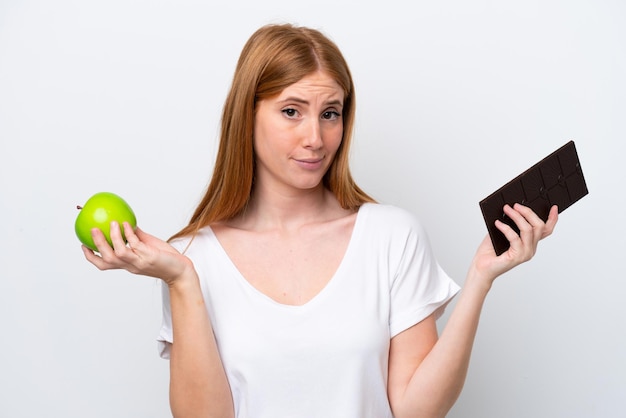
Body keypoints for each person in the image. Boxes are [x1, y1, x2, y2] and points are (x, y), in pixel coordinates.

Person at [82, 23, 559, 418]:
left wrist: (479, 279)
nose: (316, 137)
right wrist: (183, 281)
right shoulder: (189, 257)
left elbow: (416, 410)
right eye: (291, 111)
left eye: (330, 113)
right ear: (246, 117)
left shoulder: (392, 236)